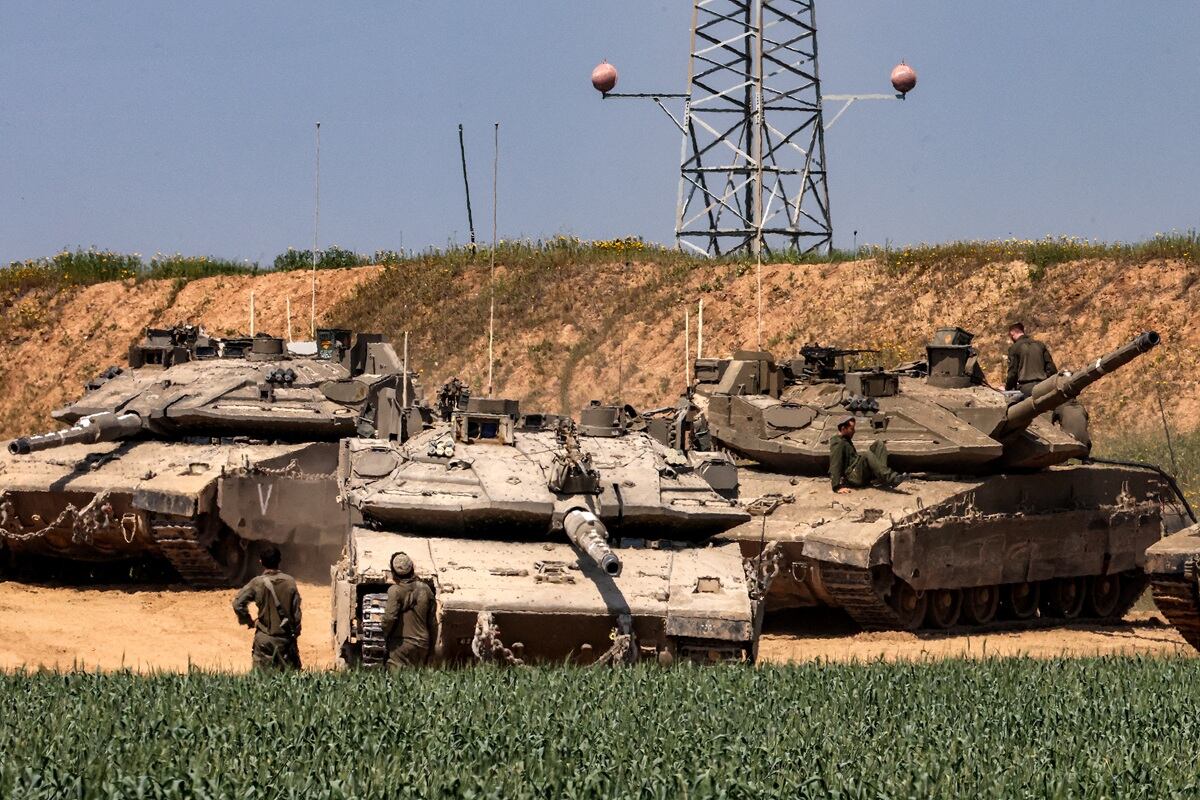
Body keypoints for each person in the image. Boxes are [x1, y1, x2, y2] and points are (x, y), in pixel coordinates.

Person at [232, 544, 302, 671]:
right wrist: (295, 634)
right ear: (279, 561)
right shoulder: (290, 582)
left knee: (261, 680)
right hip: (285, 639)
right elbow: (296, 613)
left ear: (261, 562)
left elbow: (238, 603)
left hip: (264, 638)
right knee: (291, 680)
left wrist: (247, 620)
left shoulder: (257, 583)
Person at [381, 551, 436, 668]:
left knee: (396, 681)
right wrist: (431, 649)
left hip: (401, 645)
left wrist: (384, 635)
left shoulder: (395, 590)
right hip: (422, 644)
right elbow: (433, 623)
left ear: (393, 572)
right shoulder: (425, 589)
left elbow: (389, 618)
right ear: (412, 568)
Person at [829, 415, 905, 493]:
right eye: (851, 429)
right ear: (843, 429)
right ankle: (891, 478)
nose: (854, 431)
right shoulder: (838, 443)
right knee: (867, 454)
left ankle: (880, 477)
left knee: (879, 444)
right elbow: (835, 464)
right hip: (853, 477)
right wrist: (836, 487)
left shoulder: (845, 439)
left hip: (857, 471)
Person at [1005, 322, 1057, 396]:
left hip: (1026, 388)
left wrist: (1008, 388)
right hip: (1043, 385)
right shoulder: (1039, 345)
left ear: (1012, 333)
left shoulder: (1014, 348)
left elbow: (1013, 372)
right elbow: (1051, 368)